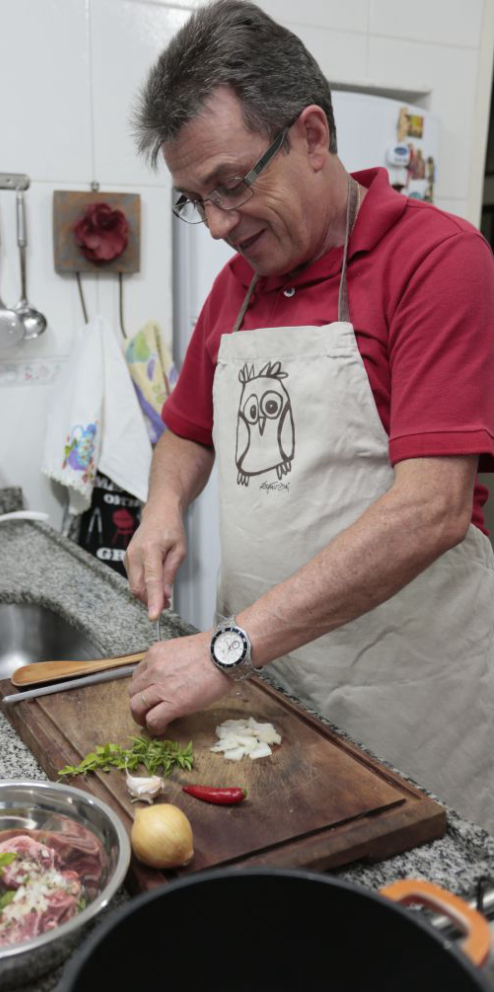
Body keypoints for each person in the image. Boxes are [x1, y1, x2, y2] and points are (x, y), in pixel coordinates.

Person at [124, 0, 494, 832]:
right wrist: (161, 508)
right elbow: (186, 427)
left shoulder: (437, 261)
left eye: (230, 184)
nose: (217, 224)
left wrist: (226, 648)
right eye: (195, 199)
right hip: (272, 681)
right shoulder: (238, 287)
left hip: (413, 692)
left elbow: (432, 509)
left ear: (312, 137)